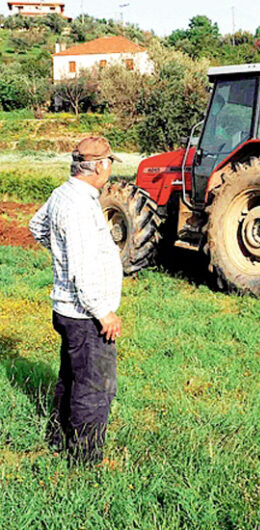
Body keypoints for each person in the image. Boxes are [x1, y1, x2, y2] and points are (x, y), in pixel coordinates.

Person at [28, 136, 124, 467]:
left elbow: (36, 225)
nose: (109, 167)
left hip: (66, 310)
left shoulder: (63, 194)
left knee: (70, 377)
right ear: (99, 165)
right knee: (95, 388)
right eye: (110, 162)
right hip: (85, 315)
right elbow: (83, 270)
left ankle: (58, 437)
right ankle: (86, 459)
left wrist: (60, 252)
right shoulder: (82, 206)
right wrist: (103, 313)